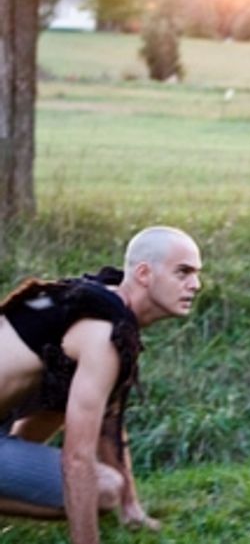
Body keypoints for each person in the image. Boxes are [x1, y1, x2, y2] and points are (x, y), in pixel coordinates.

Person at [0, 226, 202, 544]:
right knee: (105, 488)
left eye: (196, 274)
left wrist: (131, 508)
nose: (196, 285)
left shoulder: (100, 300)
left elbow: (108, 414)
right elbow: (77, 457)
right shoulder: (104, 331)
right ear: (145, 273)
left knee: (65, 398)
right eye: (183, 272)